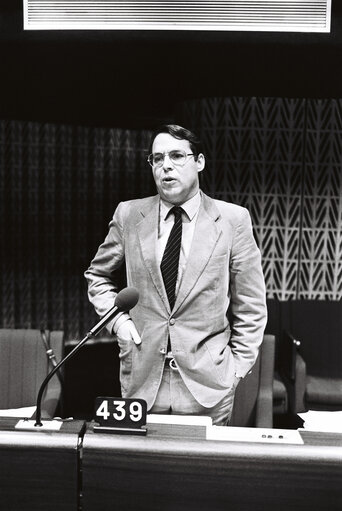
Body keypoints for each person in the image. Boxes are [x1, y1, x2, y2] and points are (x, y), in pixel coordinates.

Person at [85, 124, 267, 426]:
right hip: (142, 383)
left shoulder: (233, 220)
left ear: (199, 162)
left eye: (176, 156)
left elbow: (251, 305)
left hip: (208, 386)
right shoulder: (129, 215)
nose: (165, 165)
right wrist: (118, 322)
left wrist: (236, 369)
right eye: (157, 158)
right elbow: (97, 275)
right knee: (142, 472)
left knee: (202, 473)